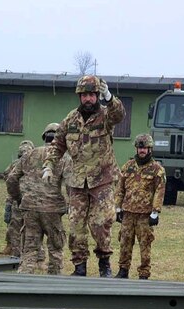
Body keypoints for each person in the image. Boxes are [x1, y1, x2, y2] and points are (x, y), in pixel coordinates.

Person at [44, 74, 124, 277]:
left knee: (100, 223)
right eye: (84, 95)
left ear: (97, 95)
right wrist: (48, 166)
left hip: (102, 179)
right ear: (79, 96)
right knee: (76, 226)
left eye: (92, 95)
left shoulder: (106, 115)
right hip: (78, 182)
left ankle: (104, 262)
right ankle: (79, 267)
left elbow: (120, 115)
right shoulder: (71, 119)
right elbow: (58, 144)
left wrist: (109, 96)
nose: (88, 99)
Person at [7, 123, 70, 274]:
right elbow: (71, 184)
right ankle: (53, 286)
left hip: (30, 208)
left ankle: (23, 285)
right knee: (55, 249)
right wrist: (70, 205)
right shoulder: (64, 158)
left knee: (29, 250)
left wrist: (18, 197)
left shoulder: (29, 155)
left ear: (44, 137)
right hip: (52, 210)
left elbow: (11, 178)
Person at [114, 134, 166, 280]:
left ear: (150, 149)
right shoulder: (128, 166)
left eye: (145, 148)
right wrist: (118, 208)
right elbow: (120, 188)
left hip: (145, 214)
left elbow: (159, 191)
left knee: (145, 244)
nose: (142, 150)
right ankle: (123, 270)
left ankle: (144, 273)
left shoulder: (157, 169)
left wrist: (155, 212)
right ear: (136, 149)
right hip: (128, 212)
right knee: (124, 242)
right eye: (140, 148)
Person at [2, 141, 35, 257]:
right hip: (23, 199)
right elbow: (8, 176)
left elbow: (7, 177)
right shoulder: (33, 163)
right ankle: (19, 250)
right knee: (18, 225)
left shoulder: (17, 164)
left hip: (20, 198)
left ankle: (17, 252)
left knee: (16, 225)